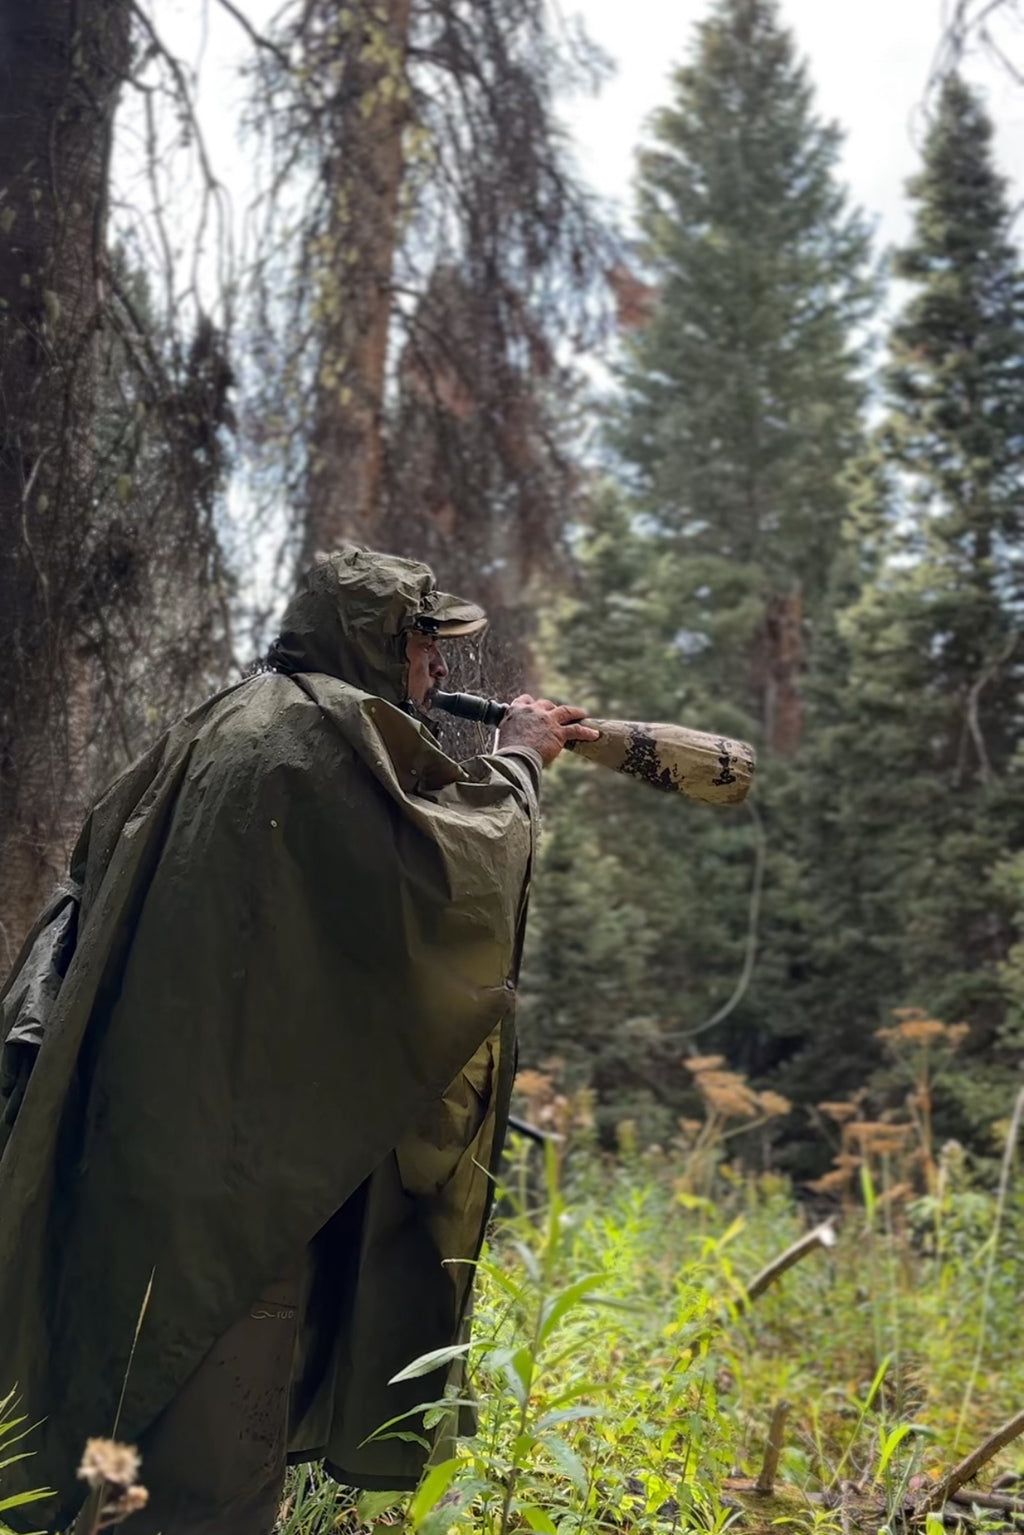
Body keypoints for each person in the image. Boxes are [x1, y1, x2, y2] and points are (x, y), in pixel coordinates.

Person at [0, 545, 598, 1535]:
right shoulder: (319, 736)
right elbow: (446, 881)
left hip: (141, 1129)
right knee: (209, 1422)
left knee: (131, 1369)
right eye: (422, 642)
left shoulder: (226, 721)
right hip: (235, 1166)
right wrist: (525, 761)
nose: (437, 668)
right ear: (372, 638)